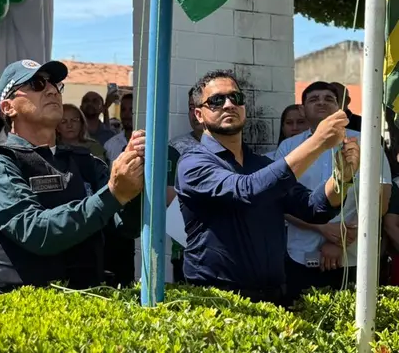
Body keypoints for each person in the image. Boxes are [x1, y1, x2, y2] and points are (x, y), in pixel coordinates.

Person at [175, 70, 360, 304]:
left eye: (236, 98)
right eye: (217, 100)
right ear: (199, 114)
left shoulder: (261, 164)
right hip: (216, 301)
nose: (229, 104)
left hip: (273, 298)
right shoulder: (193, 163)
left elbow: (313, 208)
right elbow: (246, 191)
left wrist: (342, 179)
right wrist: (317, 143)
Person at [0, 59, 145, 293]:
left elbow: (126, 227)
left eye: (55, 84)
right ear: (8, 107)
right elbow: (35, 231)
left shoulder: (85, 162)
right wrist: (114, 194)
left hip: (87, 308)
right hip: (23, 316)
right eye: (37, 83)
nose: (52, 89)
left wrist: (134, 177)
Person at [273, 81, 392, 304]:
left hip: (355, 257)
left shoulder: (367, 143)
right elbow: (278, 201)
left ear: (340, 108)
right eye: (313, 99)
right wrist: (321, 228)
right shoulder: (289, 148)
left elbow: (380, 200)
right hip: (300, 257)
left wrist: (340, 240)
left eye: (329, 99)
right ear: (302, 109)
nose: (321, 102)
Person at [98, 93, 140, 286]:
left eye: (131, 109)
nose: (127, 114)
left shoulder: (151, 144)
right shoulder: (111, 145)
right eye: (123, 109)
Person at [166, 87, 203, 283]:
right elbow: (170, 199)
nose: (194, 114)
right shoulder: (175, 148)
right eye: (191, 107)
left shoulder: (234, 147)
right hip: (186, 248)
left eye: (199, 106)